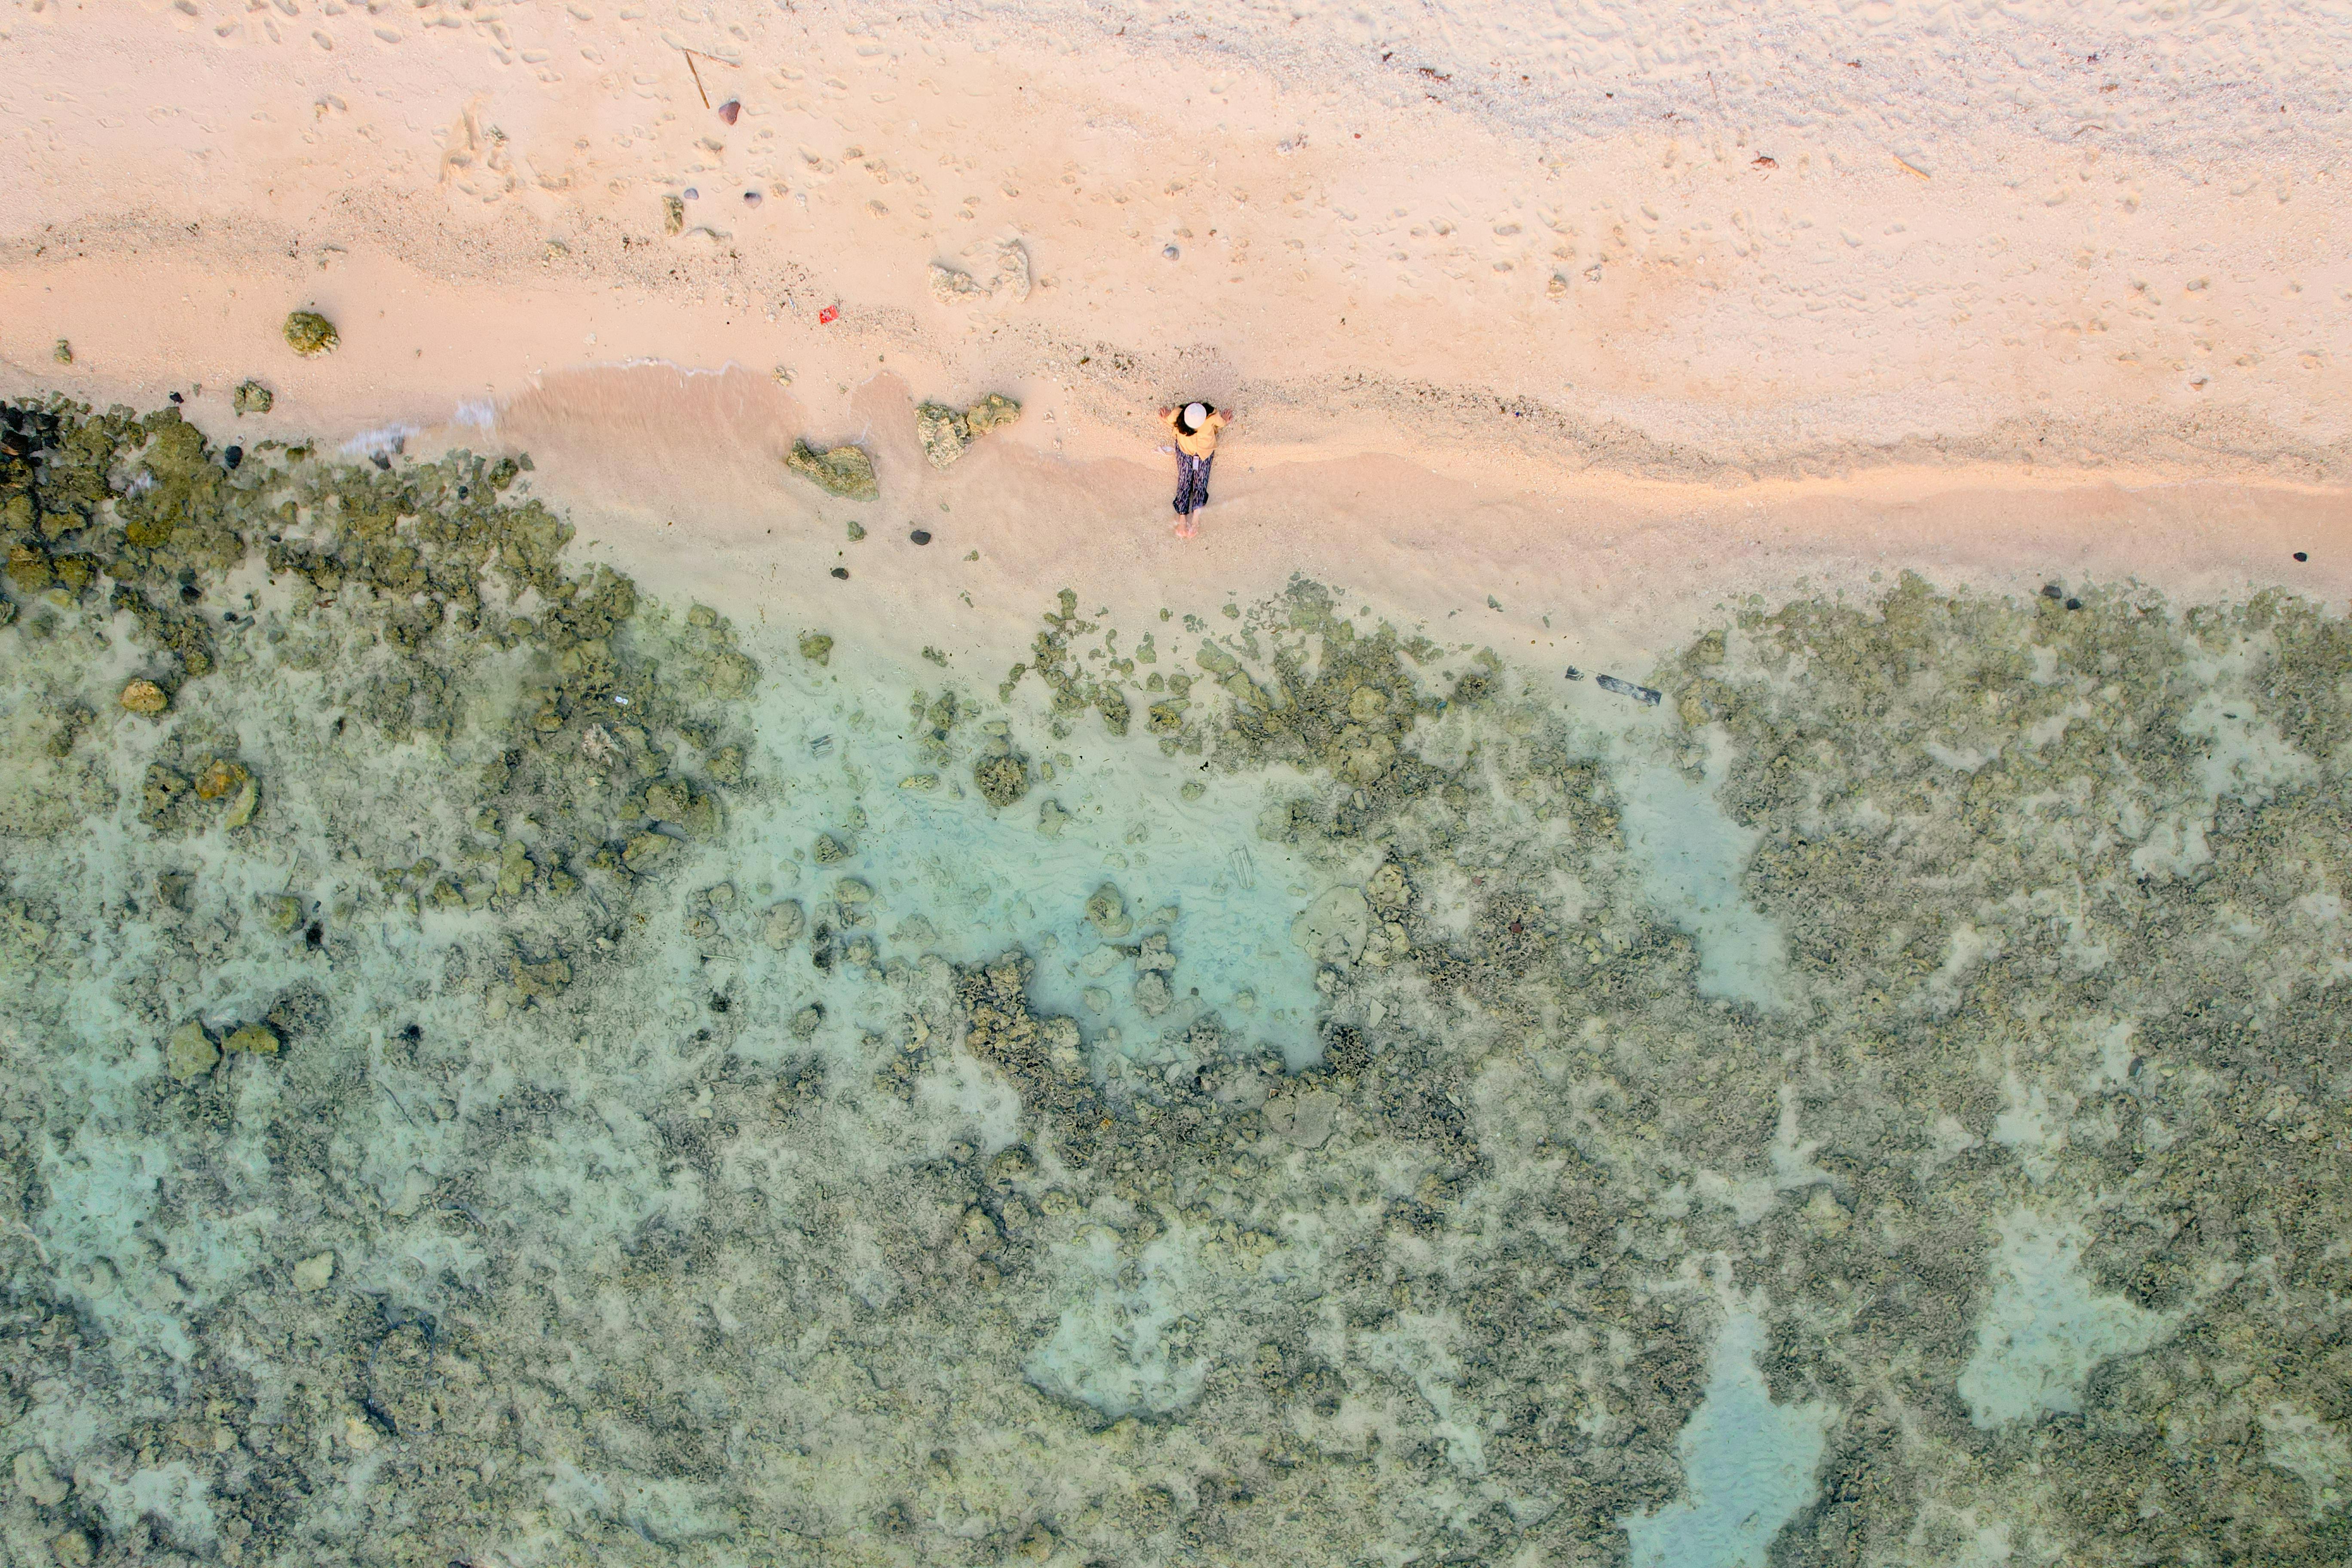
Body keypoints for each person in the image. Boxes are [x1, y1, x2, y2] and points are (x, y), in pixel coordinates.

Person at [1157, 401, 1231, 538]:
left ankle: (1194, 517)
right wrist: (1225, 421)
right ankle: (1183, 518)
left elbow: (1169, 419)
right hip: (1190, 451)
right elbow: (1222, 423)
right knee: (1187, 480)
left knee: (1198, 480)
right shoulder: (1205, 416)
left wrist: (1166, 418)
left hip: (1203, 452)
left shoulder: (1208, 416)